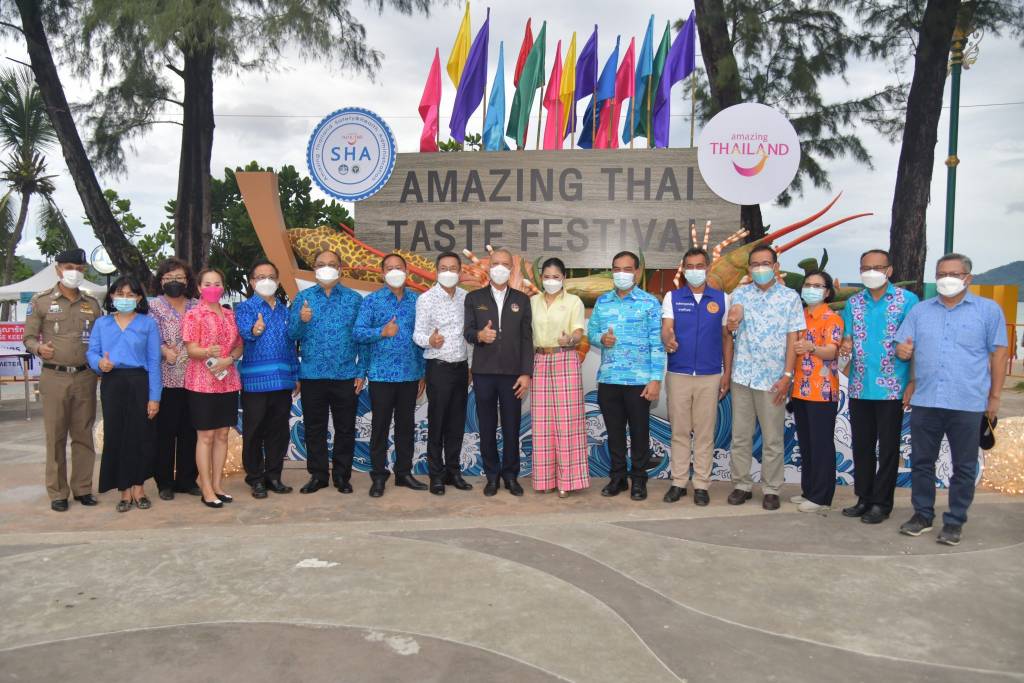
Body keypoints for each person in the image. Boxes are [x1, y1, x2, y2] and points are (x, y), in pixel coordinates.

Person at [895, 253, 1008, 546]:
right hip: (926, 400)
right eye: (941, 273)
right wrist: (903, 355)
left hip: (967, 402)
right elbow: (904, 347)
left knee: (964, 466)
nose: (946, 279)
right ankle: (922, 515)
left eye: (954, 274)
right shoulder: (920, 311)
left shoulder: (988, 311)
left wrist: (994, 397)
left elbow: (999, 355)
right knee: (922, 462)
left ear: (968, 278)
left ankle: (955, 521)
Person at [839, 249, 918, 524]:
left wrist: (912, 381)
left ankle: (882, 504)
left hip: (892, 388)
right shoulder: (853, 303)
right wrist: (844, 347)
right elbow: (846, 341)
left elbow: (913, 344)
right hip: (860, 385)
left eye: (877, 267)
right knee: (861, 446)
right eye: (865, 268)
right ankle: (864, 497)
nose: (871, 272)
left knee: (888, 449)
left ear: (889, 270)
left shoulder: (907, 300)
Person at [23, 248, 103, 512]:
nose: (74, 273)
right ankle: (58, 492)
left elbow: (101, 338)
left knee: (83, 434)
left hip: (85, 376)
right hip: (54, 375)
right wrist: (38, 348)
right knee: (55, 435)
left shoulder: (92, 303)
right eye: (69, 267)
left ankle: (82, 488)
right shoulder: (41, 301)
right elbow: (28, 337)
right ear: (58, 269)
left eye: (79, 269)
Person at [726, 244, 804, 510]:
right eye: (755, 264)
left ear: (776, 267)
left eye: (765, 263)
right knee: (740, 436)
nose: (760, 268)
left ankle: (771, 489)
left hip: (773, 379)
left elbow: (793, 338)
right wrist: (733, 321)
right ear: (749, 269)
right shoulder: (740, 294)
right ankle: (741, 485)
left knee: (772, 438)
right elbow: (732, 322)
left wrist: (787, 375)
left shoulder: (790, 298)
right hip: (742, 377)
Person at [587, 251, 665, 501]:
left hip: (639, 381)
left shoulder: (650, 303)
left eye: (627, 269)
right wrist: (601, 338)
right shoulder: (603, 302)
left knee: (640, 432)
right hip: (609, 379)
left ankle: (639, 480)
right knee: (614, 432)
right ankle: (618, 478)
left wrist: (656, 379)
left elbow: (657, 344)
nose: (622, 274)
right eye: (617, 269)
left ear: (637, 273)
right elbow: (591, 332)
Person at [288, 249, 366, 495]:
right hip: (312, 375)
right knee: (314, 428)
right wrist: (301, 320)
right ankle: (318, 475)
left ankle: (342, 476)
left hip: (345, 374)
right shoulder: (303, 298)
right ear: (314, 269)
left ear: (340, 269)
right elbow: (292, 335)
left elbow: (362, 338)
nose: (327, 267)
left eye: (332, 264)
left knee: (345, 428)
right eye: (321, 264)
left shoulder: (354, 299)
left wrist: (361, 371)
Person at [661, 247, 732, 506]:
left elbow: (727, 338)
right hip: (678, 373)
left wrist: (727, 373)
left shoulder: (723, 299)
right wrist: (668, 340)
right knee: (679, 431)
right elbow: (666, 329)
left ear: (708, 267)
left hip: (710, 374)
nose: (694, 271)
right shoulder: (672, 297)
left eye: (699, 266)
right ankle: (679, 482)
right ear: (683, 269)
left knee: (704, 433)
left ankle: (701, 484)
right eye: (689, 266)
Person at [86, 276, 162, 512]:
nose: (125, 298)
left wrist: (155, 397)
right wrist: (100, 363)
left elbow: (154, 362)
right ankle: (124, 490)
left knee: (140, 436)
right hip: (113, 384)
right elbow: (92, 352)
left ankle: (139, 488)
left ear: (139, 298)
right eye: (120, 294)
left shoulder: (148, 324)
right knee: (116, 436)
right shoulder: (102, 324)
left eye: (130, 294)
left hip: (139, 383)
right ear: (111, 296)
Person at [354, 254, 427, 497]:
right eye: (389, 268)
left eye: (399, 267)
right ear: (382, 273)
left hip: (410, 375)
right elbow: (358, 333)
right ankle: (378, 475)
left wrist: (423, 372)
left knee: (406, 427)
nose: (394, 271)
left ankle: (403, 473)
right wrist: (382, 332)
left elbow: (422, 338)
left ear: (407, 271)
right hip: (381, 375)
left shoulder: (417, 301)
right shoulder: (372, 301)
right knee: (380, 427)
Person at [463, 247, 533, 497]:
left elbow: (527, 338)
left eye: (505, 264)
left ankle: (511, 476)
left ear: (511, 269)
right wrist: (480, 335)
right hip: (484, 373)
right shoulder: (474, 298)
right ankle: (492, 476)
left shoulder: (522, 299)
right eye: (495, 264)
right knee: (487, 426)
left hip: (513, 375)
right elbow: (468, 332)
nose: (500, 268)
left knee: (512, 427)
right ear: (489, 266)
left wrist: (526, 373)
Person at [235, 259, 299, 499]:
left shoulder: (285, 311)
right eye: (260, 277)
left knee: (278, 431)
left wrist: (295, 374)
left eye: (271, 277)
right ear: (252, 282)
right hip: (255, 381)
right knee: (254, 431)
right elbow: (246, 333)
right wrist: (255, 330)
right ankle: (255, 478)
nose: (266, 281)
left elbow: (291, 345)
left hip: (282, 380)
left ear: (278, 281)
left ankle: (274, 476)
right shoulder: (245, 308)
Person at [413, 252, 474, 495]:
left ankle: (453, 472)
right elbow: (417, 334)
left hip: (461, 368)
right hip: (438, 368)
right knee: (437, 423)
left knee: (457, 423)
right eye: (444, 268)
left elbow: (469, 336)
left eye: (453, 268)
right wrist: (430, 340)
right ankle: (436, 476)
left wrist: (470, 365)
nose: (448, 272)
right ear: (436, 271)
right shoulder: (426, 299)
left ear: (460, 272)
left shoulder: (466, 298)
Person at [182, 268, 243, 508]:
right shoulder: (193, 315)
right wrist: (208, 351)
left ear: (223, 287)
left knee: (222, 434)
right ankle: (205, 487)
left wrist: (229, 359)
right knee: (205, 436)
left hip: (228, 381)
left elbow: (239, 346)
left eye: (217, 283)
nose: (213, 288)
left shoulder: (230, 315)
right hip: (201, 383)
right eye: (207, 284)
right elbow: (191, 350)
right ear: (199, 287)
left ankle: (217, 485)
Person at [530, 257, 589, 498]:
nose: (551, 281)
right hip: (539, 360)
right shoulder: (532, 302)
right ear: (540, 278)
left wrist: (570, 340)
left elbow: (578, 331)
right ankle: (545, 479)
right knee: (542, 423)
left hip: (565, 359)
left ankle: (567, 481)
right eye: (547, 277)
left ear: (564, 277)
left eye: (556, 277)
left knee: (567, 423)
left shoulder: (574, 301)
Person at [789, 271, 844, 513]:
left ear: (827, 292)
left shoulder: (832, 319)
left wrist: (812, 348)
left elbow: (832, 351)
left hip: (822, 391)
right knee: (807, 442)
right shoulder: (799, 316)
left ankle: (822, 496)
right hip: (800, 389)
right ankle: (809, 490)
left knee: (821, 444)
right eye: (808, 285)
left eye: (818, 286)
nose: (811, 289)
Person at [148, 258, 201, 500]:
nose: (174, 282)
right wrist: (162, 350)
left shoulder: (197, 306)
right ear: (161, 281)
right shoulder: (153, 307)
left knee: (190, 432)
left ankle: (187, 480)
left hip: (195, 379)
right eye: (169, 278)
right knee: (165, 434)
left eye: (179, 277)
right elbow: (148, 338)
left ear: (188, 280)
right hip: (166, 380)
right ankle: (165, 482)